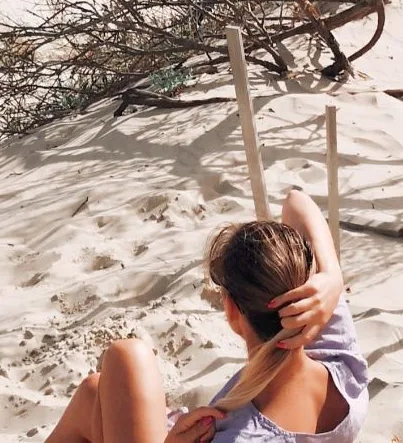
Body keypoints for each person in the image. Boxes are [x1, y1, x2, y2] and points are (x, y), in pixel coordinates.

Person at [45, 190, 368, 443]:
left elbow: (296, 200)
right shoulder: (339, 362)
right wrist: (332, 277)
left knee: (127, 356)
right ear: (305, 288)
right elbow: (297, 202)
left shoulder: (245, 436)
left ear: (231, 310)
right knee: (94, 392)